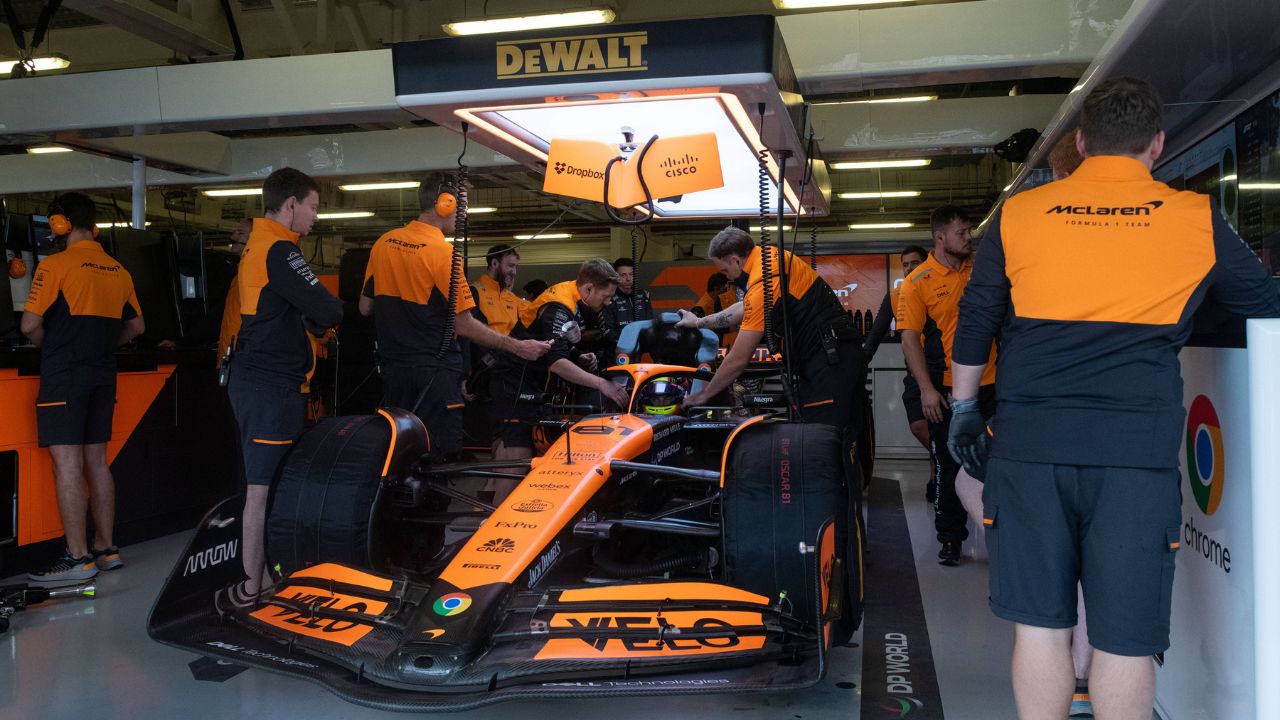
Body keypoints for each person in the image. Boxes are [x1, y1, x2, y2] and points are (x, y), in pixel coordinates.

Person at [947, 77, 1280, 720]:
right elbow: (1264, 309)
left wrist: (964, 409)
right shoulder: (1195, 218)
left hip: (1031, 449)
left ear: (1079, 142)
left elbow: (977, 319)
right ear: (1156, 144)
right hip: (1136, 458)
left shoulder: (1018, 216)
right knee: (1123, 640)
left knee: (1041, 628)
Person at [359, 174, 550, 464]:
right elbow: (463, 324)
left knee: (398, 454)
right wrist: (518, 347)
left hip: (393, 372)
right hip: (434, 376)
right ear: (445, 205)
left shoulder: (383, 243)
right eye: (462, 207)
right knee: (438, 457)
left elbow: (365, 307)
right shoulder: (444, 254)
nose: (464, 215)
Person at [220, 167, 344, 612]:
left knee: (268, 486)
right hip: (268, 386)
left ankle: (262, 582)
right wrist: (323, 314)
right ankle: (251, 589)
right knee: (262, 489)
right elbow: (329, 309)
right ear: (290, 204)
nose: (314, 218)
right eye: (312, 207)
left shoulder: (266, 246)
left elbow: (305, 312)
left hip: (267, 382)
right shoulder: (278, 250)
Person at [21, 192, 144, 583]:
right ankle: (106, 550)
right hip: (102, 373)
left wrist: (53, 345)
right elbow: (137, 327)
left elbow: (27, 326)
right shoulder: (119, 270)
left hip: (64, 375)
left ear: (59, 224)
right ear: (94, 227)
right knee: (96, 461)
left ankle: (76, 558)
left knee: (67, 463)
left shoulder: (55, 265)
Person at [680, 226, 864, 435]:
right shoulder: (768, 260)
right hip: (836, 354)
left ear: (735, 260)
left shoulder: (765, 279)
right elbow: (744, 307)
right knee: (844, 436)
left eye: (725, 270)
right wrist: (698, 322)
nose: (728, 278)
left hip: (830, 360)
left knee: (822, 438)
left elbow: (738, 358)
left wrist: (702, 396)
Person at [898, 207, 998, 567]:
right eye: (961, 232)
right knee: (949, 466)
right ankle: (951, 538)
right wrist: (925, 389)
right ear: (940, 238)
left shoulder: (982, 269)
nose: (968, 238)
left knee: (999, 463)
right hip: (948, 391)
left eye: (969, 231)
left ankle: (1001, 534)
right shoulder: (916, 282)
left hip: (994, 385)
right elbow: (910, 340)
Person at [490, 258, 630, 494]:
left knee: (511, 448)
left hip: (524, 381)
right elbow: (556, 363)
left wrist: (578, 356)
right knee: (518, 458)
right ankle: (494, 521)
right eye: (605, 297)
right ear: (588, 288)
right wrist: (602, 384)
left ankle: (487, 507)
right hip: (514, 381)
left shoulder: (573, 296)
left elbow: (554, 345)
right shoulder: (559, 306)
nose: (607, 303)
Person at [863, 245, 942, 499]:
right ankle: (943, 459)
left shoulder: (936, 290)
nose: (909, 268)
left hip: (943, 370)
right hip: (917, 373)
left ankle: (937, 479)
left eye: (915, 263)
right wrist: (858, 365)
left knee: (939, 426)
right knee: (920, 425)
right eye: (905, 264)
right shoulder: (896, 295)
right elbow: (875, 334)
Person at [467, 244, 526, 453]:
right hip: (486, 373)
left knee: (508, 429)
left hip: (512, 373)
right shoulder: (474, 292)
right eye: (510, 266)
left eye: (516, 267)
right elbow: (466, 338)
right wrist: (465, 377)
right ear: (494, 263)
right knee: (497, 430)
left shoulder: (515, 300)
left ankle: (494, 481)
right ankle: (493, 481)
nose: (514, 271)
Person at [216, 218, 253, 367]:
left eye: (241, 232)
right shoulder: (238, 277)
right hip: (230, 360)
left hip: (242, 362)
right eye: (234, 231)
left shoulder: (254, 276)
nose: (233, 236)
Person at [602, 257, 653, 346]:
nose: (628, 279)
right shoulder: (608, 298)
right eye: (623, 275)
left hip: (641, 346)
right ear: (616, 276)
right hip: (618, 349)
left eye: (631, 274)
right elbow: (609, 333)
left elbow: (650, 325)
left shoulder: (644, 296)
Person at [692, 272, 741, 348]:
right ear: (716, 288)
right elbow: (700, 328)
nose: (726, 291)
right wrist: (728, 328)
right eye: (725, 289)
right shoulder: (701, 307)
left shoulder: (716, 301)